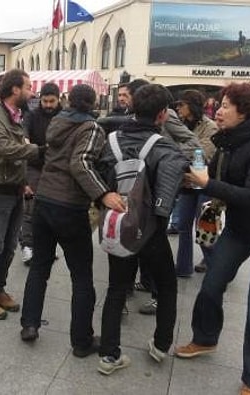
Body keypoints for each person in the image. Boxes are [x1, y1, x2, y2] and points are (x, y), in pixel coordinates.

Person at [177, 83, 250, 395]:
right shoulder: (227, 140)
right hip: (240, 227)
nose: (219, 110)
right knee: (212, 283)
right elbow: (210, 176)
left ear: (246, 112)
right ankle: (204, 338)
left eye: (227, 105)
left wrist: (207, 185)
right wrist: (189, 172)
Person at [96, 84, 187, 375]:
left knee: (116, 288)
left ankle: (109, 355)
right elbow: (165, 199)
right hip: (151, 232)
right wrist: (158, 220)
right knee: (167, 285)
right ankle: (160, 345)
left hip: (117, 225)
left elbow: (98, 178)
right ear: (163, 114)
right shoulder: (164, 147)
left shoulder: (109, 140)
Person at [20, 84, 117, 359]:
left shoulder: (57, 121)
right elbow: (81, 163)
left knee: (39, 266)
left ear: (69, 101)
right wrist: (103, 193)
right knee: (82, 276)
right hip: (70, 206)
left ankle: (29, 324)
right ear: (92, 103)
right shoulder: (92, 128)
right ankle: (82, 340)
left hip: (44, 201)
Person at [0, 69, 42, 320]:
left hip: (14, 191)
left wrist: (24, 182)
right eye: (28, 87)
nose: (32, 92)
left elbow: (18, 152)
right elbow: (8, 149)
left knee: (9, 247)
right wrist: (39, 151)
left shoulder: (16, 117)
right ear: (15, 90)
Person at [173, 90, 218, 275]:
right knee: (183, 226)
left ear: (191, 106)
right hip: (186, 183)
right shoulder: (178, 124)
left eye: (181, 104)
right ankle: (183, 268)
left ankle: (217, 267)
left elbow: (203, 154)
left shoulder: (210, 126)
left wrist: (179, 150)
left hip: (205, 182)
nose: (177, 108)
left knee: (205, 228)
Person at [19, 82, 62, 266]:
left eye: (52, 101)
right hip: (34, 166)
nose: (49, 105)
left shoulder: (64, 116)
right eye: (45, 101)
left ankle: (46, 248)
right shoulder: (32, 115)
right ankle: (27, 246)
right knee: (30, 207)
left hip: (56, 168)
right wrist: (28, 144)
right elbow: (24, 135)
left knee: (52, 210)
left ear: (58, 99)